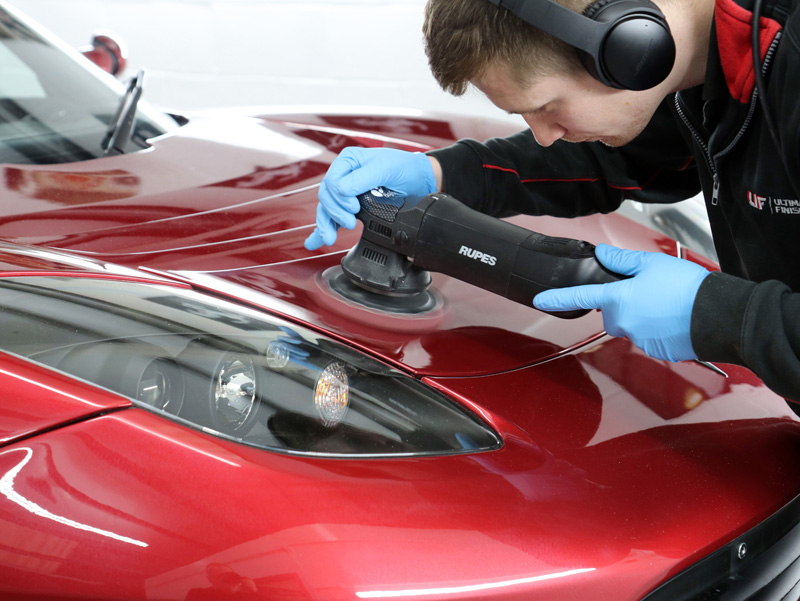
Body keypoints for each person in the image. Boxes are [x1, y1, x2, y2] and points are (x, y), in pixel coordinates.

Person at [304, 0, 800, 403]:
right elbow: (624, 161)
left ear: (627, 44)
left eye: (544, 107)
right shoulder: (699, 74)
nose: (543, 137)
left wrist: (726, 316)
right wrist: (442, 173)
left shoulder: (791, 60)